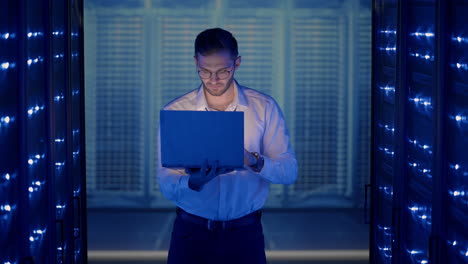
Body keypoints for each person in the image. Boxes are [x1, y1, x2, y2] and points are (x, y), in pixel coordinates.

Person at [157, 27, 297, 264]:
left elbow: (289, 172)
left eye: (223, 71)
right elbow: (166, 184)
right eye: (204, 71)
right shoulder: (176, 111)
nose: (213, 80)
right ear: (195, 63)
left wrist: (253, 161)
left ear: (237, 63)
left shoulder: (263, 107)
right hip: (191, 234)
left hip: (245, 235)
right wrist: (194, 182)